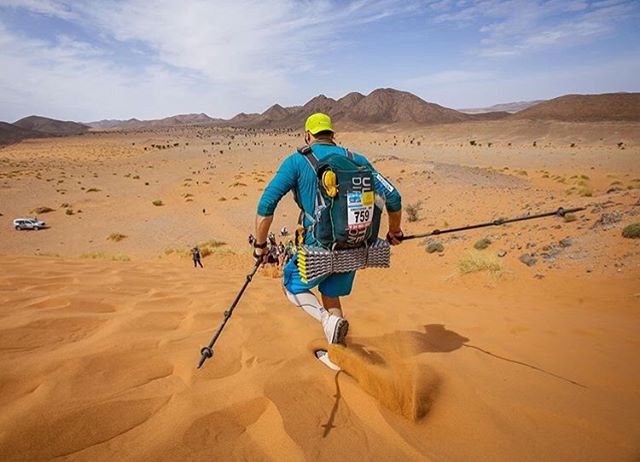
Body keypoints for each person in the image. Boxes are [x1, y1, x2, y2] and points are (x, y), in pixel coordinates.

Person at [252, 113, 403, 345]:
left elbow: (266, 205)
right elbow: (393, 197)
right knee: (331, 296)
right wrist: (394, 231)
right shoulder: (358, 159)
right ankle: (341, 353)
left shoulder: (296, 161)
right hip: (354, 242)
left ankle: (325, 320)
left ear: (308, 135)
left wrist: (260, 247)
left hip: (318, 247)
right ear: (333, 135)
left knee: (290, 286)